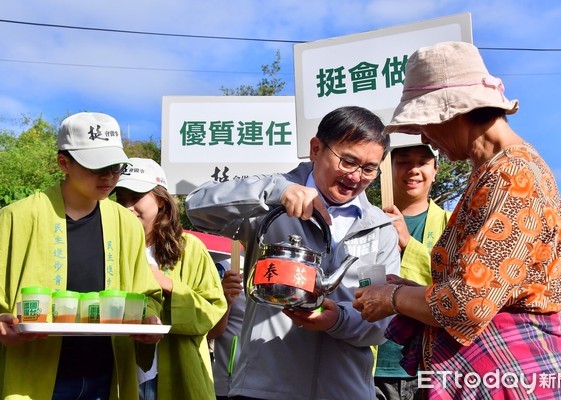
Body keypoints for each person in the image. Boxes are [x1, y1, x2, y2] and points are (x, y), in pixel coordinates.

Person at [353, 41, 561, 399]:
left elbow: (466, 305)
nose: (425, 136)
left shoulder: (512, 175)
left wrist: (394, 296)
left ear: (455, 111)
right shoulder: (490, 171)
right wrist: (407, 289)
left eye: (424, 123)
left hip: (507, 374)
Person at [185, 106, 400, 400]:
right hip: (262, 389)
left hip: (347, 391)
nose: (356, 177)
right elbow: (197, 207)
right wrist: (275, 191)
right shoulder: (271, 202)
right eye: (348, 161)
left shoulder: (380, 229)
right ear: (316, 148)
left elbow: (381, 324)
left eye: (369, 168)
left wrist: (338, 319)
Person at [0, 112, 163, 400]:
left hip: (108, 373)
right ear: (63, 162)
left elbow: (146, 295)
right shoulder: (16, 218)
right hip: (35, 371)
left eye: (116, 167)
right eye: (96, 166)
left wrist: (150, 319)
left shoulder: (126, 224)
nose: (108, 176)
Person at [114, 157, 227, 400]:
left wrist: (164, 282)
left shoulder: (190, 248)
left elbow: (212, 313)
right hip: (120, 371)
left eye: (135, 198)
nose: (127, 208)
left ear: (161, 202)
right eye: (120, 200)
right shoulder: (109, 247)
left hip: (179, 371)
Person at [375, 141, 450, 400]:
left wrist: (408, 244)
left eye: (422, 162)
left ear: (435, 169)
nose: (413, 169)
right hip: (374, 362)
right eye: (404, 161)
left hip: (429, 364)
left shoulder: (451, 223)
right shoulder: (369, 219)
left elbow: (459, 290)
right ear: (387, 167)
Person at [207, 260, 245, 400]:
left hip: (269, 382)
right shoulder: (224, 268)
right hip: (229, 382)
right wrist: (224, 300)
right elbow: (210, 331)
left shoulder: (280, 268)